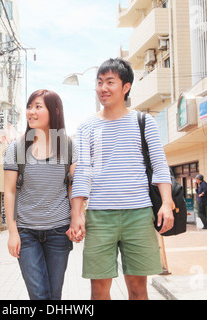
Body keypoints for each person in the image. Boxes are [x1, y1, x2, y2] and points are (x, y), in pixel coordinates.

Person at [69, 58, 174, 300]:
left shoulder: (143, 121)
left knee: (138, 289)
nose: (102, 88)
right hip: (99, 216)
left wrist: (166, 204)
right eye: (99, 82)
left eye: (110, 82)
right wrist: (77, 214)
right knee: (99, 290)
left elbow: (159, 165)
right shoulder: (86, 126)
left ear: (125, 87)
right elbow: (82, 171)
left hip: (139, 214)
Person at [3, 89, 77, 300]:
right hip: (26, 234)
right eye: (29, 107)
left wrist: (76, 220)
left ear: (54, 111)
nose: (31, 112)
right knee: (39, 295)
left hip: (59, 233)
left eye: (38, 106)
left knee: (54, 296)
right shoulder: (17, 148)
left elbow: (76, 185)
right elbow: (9, 192)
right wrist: (12, 232)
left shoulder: (68, 146)